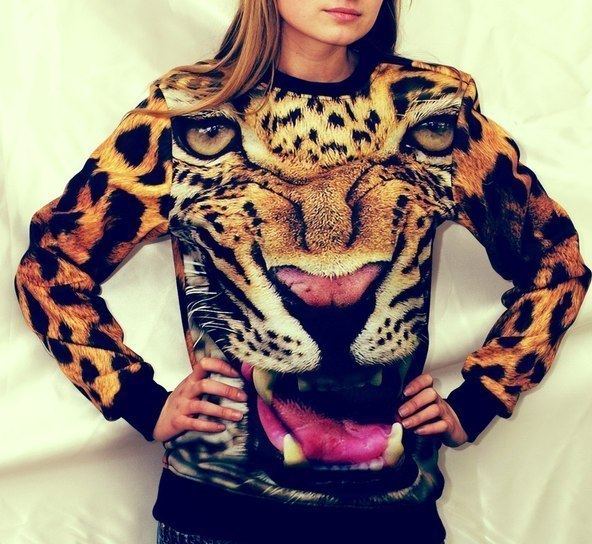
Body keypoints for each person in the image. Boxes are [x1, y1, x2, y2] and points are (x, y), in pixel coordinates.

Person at [13, 1, 591, 543]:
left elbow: (555, 264)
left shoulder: (436, 111)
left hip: (392, 522)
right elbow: (53, 265)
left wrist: (480, 398)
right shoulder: (190, 113)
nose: (331, 273)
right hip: (214, 517)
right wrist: (139, 399)